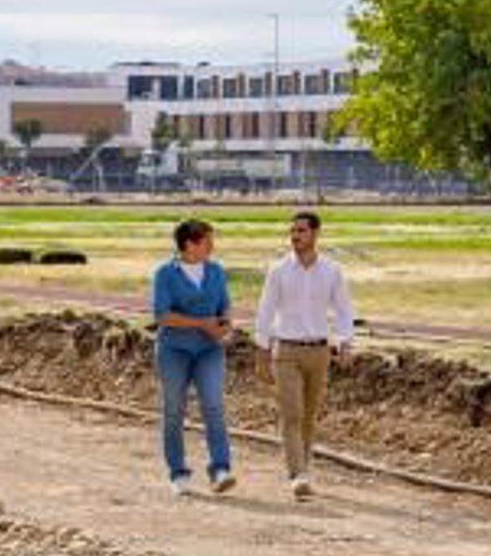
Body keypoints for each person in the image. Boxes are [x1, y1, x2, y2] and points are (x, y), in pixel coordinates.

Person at [253, 211, 355, 500]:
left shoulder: (332, 271)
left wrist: (346, 341)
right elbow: (265, 310)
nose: (295, 236)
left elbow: (344, 309)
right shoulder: (278, 270)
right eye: (292, 231)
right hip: (285, 350)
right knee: (292, 414)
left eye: (301, 231)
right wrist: (261, 350)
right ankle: (297, 474)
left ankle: (304, 468)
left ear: (315, 234)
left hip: (319, 351)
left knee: (309, 416)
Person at [152, 218, 235, 496]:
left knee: (213, 405)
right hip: (174, 350)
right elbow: (162, 315)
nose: (213, 246)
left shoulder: (216, 272)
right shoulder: (165, 274)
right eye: (207, 241)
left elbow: (224, 306)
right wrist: (201, 324)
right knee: (174, 410)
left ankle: (221, 468)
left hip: (209, 349)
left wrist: (224, 326)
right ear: (190, 244)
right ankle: (178, 472)